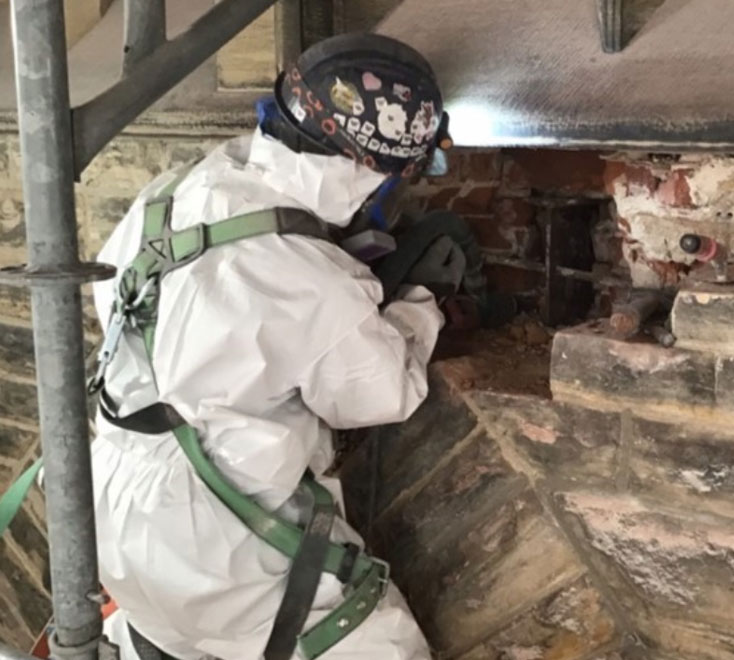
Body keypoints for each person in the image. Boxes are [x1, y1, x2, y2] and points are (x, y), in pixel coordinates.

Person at [88, 33, 462, 660]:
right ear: (365, 174)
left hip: (109, 510)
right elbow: (382, 391)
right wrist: (420, 301)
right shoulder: (310, 278)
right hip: (214, 550)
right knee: (386, 645)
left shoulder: (171, 194)